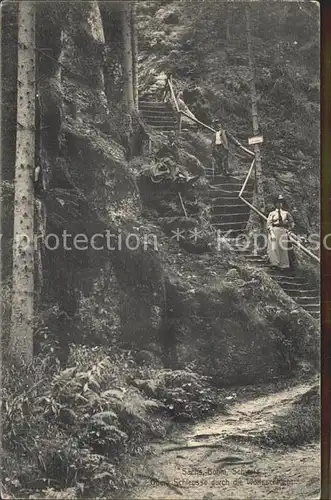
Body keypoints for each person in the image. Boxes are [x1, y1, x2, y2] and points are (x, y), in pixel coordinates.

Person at [266, 195, 295, 271]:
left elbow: (292, 223)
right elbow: (269, 224)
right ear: (275, 204)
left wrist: (289, 230)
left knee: (283, 247)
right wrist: (271, 232)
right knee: (274, 247)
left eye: (281, 203)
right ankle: (274, 263)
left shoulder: (286, 213)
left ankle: (284, 265)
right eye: (278, 203)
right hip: (274, 230)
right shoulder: (272, 213)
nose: (279, 204)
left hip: (283, 231)